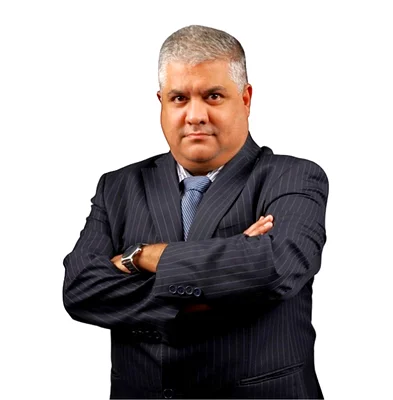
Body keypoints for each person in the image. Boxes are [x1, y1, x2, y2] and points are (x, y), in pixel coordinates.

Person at [63, 24, 329, 399]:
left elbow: (276, 267)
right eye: (179, 98)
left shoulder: (292, 177)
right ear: (161, 102)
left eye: (213, 96)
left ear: (246, 98)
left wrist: (141, 256)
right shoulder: (118, 187)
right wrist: (226, 273)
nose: (195, 115)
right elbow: (80, 290)